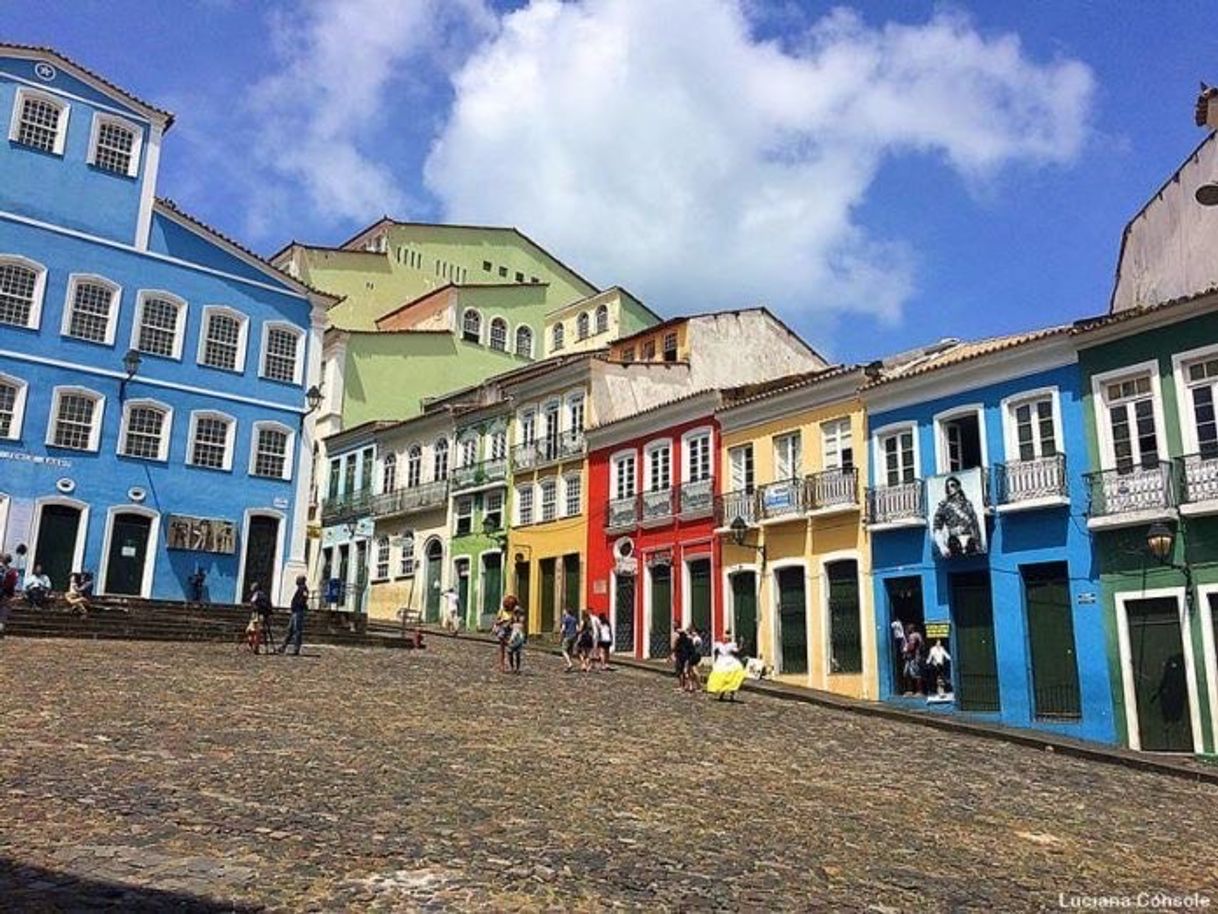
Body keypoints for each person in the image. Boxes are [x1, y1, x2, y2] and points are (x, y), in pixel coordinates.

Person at [931, 475, 982, 557]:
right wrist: (942, 547)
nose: (949, 488)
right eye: (947, 487)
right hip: (954, 543)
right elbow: (937, 527)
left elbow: (975, 524)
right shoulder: (944, 506)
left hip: (969, 540)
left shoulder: (967, 504)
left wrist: (978, 543)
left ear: (958, 487)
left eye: (952, 485)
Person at [706, 632, 746, 701]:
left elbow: (737, 651)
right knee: (723, 678)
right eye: (725, 638)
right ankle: (722, 694)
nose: (726, 639)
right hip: (722, 662)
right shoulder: (720, 645)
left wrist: (741, 644)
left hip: (728, 661)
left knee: (731, 678)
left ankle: (730, 695)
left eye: (727, 638)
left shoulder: (730, 645)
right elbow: (716, 652)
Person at [279, 575, 309, 656]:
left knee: (297, 630)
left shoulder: (303, 589)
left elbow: (304, 599)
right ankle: (283, 647)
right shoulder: (300, 589)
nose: (296, 581)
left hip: (298, 612)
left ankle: (296, 648)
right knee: (290, 630)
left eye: (298, 579)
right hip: (295, 612)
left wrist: (298, 605)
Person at [494, 595, 518, 673]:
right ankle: (502, 665)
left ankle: (512, 666)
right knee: (502, 650)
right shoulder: (502, 612)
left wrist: (513, 621)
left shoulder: (514, 612)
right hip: (503, 633)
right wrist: (503, 621)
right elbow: (497, 622)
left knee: (512, 650)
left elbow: (517, 621)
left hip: (511, 632)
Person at [249, 582, 274, 655]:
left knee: (254, 631)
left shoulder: (257, 594)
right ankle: (256, 646)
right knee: (259, 631)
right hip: (264, 615)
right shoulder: (264, 595)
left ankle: (255, 647)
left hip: (258, 615)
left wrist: (254, 609)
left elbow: (253, 602)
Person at [902, 623, 925, 696]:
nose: (907, 630)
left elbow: (913, 646)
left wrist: (907, 649)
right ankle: (910, 690)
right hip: (909, 658)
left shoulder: (915, 635)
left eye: (909, 628)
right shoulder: (909, 636)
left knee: (916, 674)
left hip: (914, 657)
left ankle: (919, 691)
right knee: (907, 674)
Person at [559, 607, 579, 672]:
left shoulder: (565, 619)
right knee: (570, 651)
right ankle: (569, 664)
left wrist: (560, 636)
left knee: (564, 650)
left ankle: (569, 663)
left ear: (567, 612)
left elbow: (563, 628)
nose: (563, 612)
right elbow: (577, 628)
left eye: (564, 611)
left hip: (567, 636)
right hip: (573, 637)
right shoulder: (574, 619)